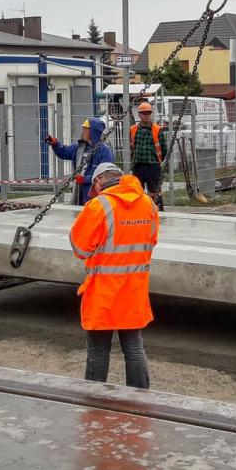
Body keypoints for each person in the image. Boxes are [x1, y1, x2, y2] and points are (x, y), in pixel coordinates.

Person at [68, 161, 158, 389]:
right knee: (134, 348)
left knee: (98, 351)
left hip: (103, 292)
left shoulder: (98, 206)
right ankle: (139, 397)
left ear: (98, 182)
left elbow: (80, 249)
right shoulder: (148, 204)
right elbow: (151, 240)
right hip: (134, 290)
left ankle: (95, 399)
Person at [46, 116, 115, 205]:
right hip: (79, 191)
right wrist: (55, 144)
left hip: (95, 192)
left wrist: (85, 179)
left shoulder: (104, 151)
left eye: (85, 130)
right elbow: (64, 152)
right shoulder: (79, 148)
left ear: (93, 132)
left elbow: (106, 174)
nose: (83, 132)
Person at [129, 101, 165, 210]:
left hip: (153, 166)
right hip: (138, 166)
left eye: (148, 113)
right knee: (136, 192)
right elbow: (132, 146)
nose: (146, 116)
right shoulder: (133, 129)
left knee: (155, 192)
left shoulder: (157, 130)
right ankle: (139, 211)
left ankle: (159, 213)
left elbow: (164, 148)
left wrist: (157, 160)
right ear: (139, 115)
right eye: (144, 113)